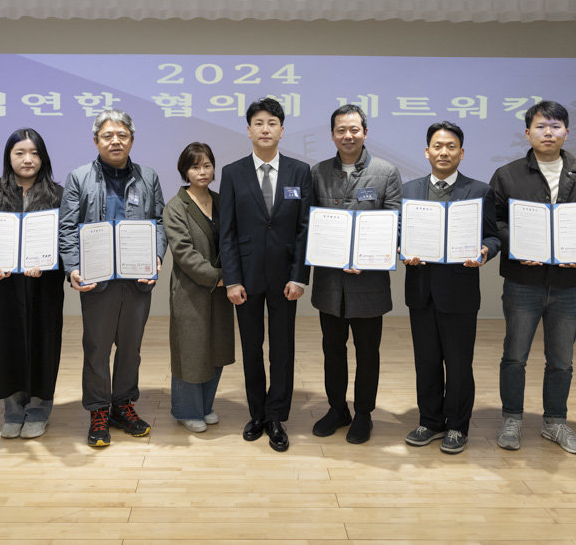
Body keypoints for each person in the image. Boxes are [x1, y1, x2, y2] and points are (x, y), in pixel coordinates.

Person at [488, 100, 576, 454]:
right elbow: (494, 222)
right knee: (515, 355)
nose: (548, 132)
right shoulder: (508, 174)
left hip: (568, 285)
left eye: (555, 126)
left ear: (566, 132)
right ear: (528, 132)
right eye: (541, 126)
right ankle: (512, 418)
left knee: (562, 359)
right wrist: (519, 244)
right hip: (522, 282)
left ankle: (555, 422)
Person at [59, 109, 166, 447]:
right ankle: (98, 410)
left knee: (131, 348)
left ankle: (123, 405)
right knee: (97, 347)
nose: (115, 140)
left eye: (122, 135)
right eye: (107, 135)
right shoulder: (78, 177)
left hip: (137, 280)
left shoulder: (148, 177)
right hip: (97, 280)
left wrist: (157, 257)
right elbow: (67, 228)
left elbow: (159, 222)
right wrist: (73, 266)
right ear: (96, 141)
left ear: (132, 140)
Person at [219, 96, 312, 452]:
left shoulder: (299, 172)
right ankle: (256, 413)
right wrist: (232, 279)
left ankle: (276, 416)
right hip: (245, 277)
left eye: (272, 123)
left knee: (282, 348)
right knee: (252, 347)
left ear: (282, 130)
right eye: (258, 123)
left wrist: (299, 275)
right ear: (248, 130)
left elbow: (305, 229)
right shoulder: (233, 172)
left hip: (286, 278)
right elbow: (226, 231)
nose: (265, 129)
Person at [401, 121, 500, 454]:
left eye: (451, 146)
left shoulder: (480, 191)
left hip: (459, 290)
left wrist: (486, 250)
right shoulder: (410, 190)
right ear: (427, 151)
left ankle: (457, 426)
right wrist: (402, 248)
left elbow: (492, 235)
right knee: (426, 361)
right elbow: (400, 233)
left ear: (461, 152)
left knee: (458, 364)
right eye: (438, 146)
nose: (444, 152)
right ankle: (429, 421)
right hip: (421, 289)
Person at [309, 104, 401, 445]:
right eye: (340, 130)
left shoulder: (386, 171)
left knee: (367, 352)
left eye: (354, 129)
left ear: (365, 131)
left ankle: (363, 413)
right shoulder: (317, 172)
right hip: (330, 282)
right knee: (332, 349)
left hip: (369, 282)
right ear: (332, 134)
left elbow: (395, 223)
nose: (348, 135)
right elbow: (311, 224)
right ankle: (337, 409)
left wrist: (370, 256)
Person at [0, 128, 65, 440]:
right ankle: (13, 410)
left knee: (43, 345)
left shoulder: (57, 194)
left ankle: (39, 410)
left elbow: (66, 242)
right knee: (6, 347)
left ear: (44, 157)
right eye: (20, 153)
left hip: (44, 287)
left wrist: (51, 265)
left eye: (35, 153)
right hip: (3, 288)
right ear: (8, 157)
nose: (28, 159)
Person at [163, 142, 235, 433]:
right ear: (185, 171)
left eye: (207, 165)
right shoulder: (175, 207)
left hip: (221, 289)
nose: (202, 171)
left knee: (216, 347)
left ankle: (205, 406)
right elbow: (184, 253)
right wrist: (219, 277)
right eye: (195, 166)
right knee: (190, 351)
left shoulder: (221, 201)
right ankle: (185, 409)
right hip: (192, 290)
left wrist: (228, 277)